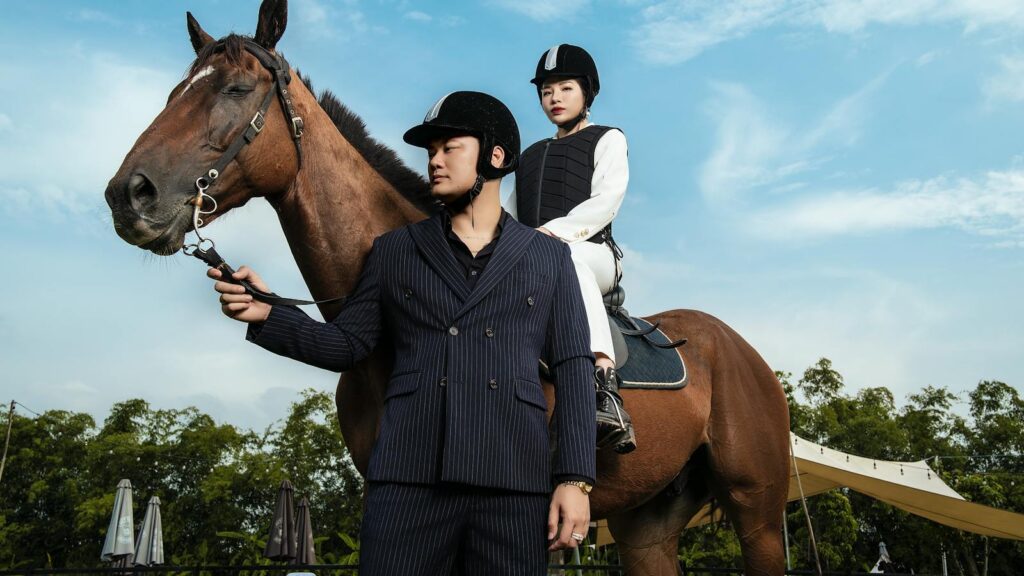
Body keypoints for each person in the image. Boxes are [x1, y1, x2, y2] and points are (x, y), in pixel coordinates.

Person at [208, 91, 596, 575]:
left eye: (449, 148)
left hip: (513, 484)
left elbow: (575, 369)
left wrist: (575, 480)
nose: (434, 161)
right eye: (430, 151)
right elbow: (348, 344)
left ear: (495, 156)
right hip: (407, 484)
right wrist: (268, 312)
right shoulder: (394, 251)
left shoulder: (550, 259)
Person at [508, 44, 636, 454]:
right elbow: (508, 217)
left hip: (592, 252)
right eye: (547, 92)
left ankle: (604, 385)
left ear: (587, 93)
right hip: (532, 258)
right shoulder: (528, 157)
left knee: (568, 259)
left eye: (565, 88)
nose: (555, 98)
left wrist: (550, 236)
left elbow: (606, 201)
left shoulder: (609, 138)